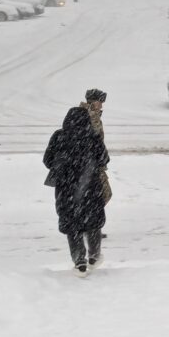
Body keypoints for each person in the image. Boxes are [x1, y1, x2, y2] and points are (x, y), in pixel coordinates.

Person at [43, 106, 108, 277]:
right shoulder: (92, 136)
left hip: (67, 188)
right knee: (93, 223)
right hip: (90, 188)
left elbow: (47, 160)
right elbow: (104, 158)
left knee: (73, 226)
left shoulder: (59, 136)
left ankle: (79, 261)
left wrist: (64, 166)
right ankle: (94, 256)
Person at [80, 89, 112, 210]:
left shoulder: (92, 115)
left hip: (93, 163)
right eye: (100, 101)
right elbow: (94, 141)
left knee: (100, 194)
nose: (102, 105)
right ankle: (90, 218)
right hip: (90, 164)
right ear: (93, 102)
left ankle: (89, 217)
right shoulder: (90, 116)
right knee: (104, 193)